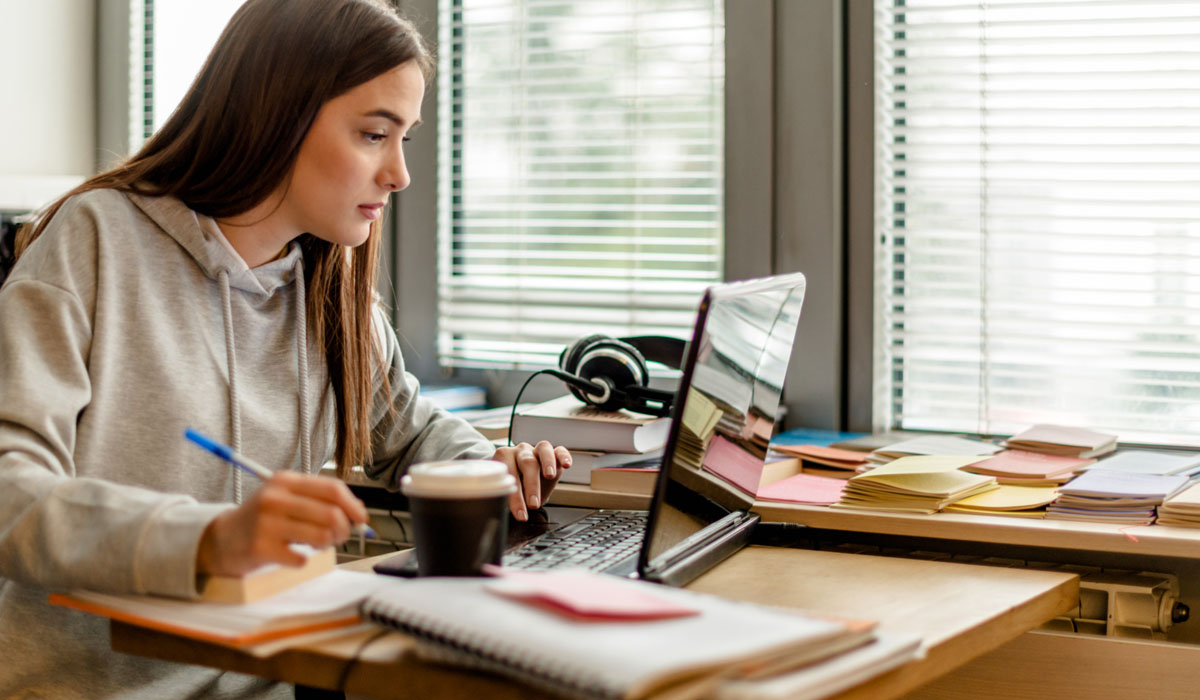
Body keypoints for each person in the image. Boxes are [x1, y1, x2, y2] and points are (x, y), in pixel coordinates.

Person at [0, 0, 570, 697]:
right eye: (372, 134)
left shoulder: (328, 285)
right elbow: (10, 495)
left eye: (405, 141)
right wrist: (210, 541)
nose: (399, 175)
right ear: (276, 116)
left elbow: (412, 433)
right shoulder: (94, 243)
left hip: (268, 682)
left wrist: (489, 470)